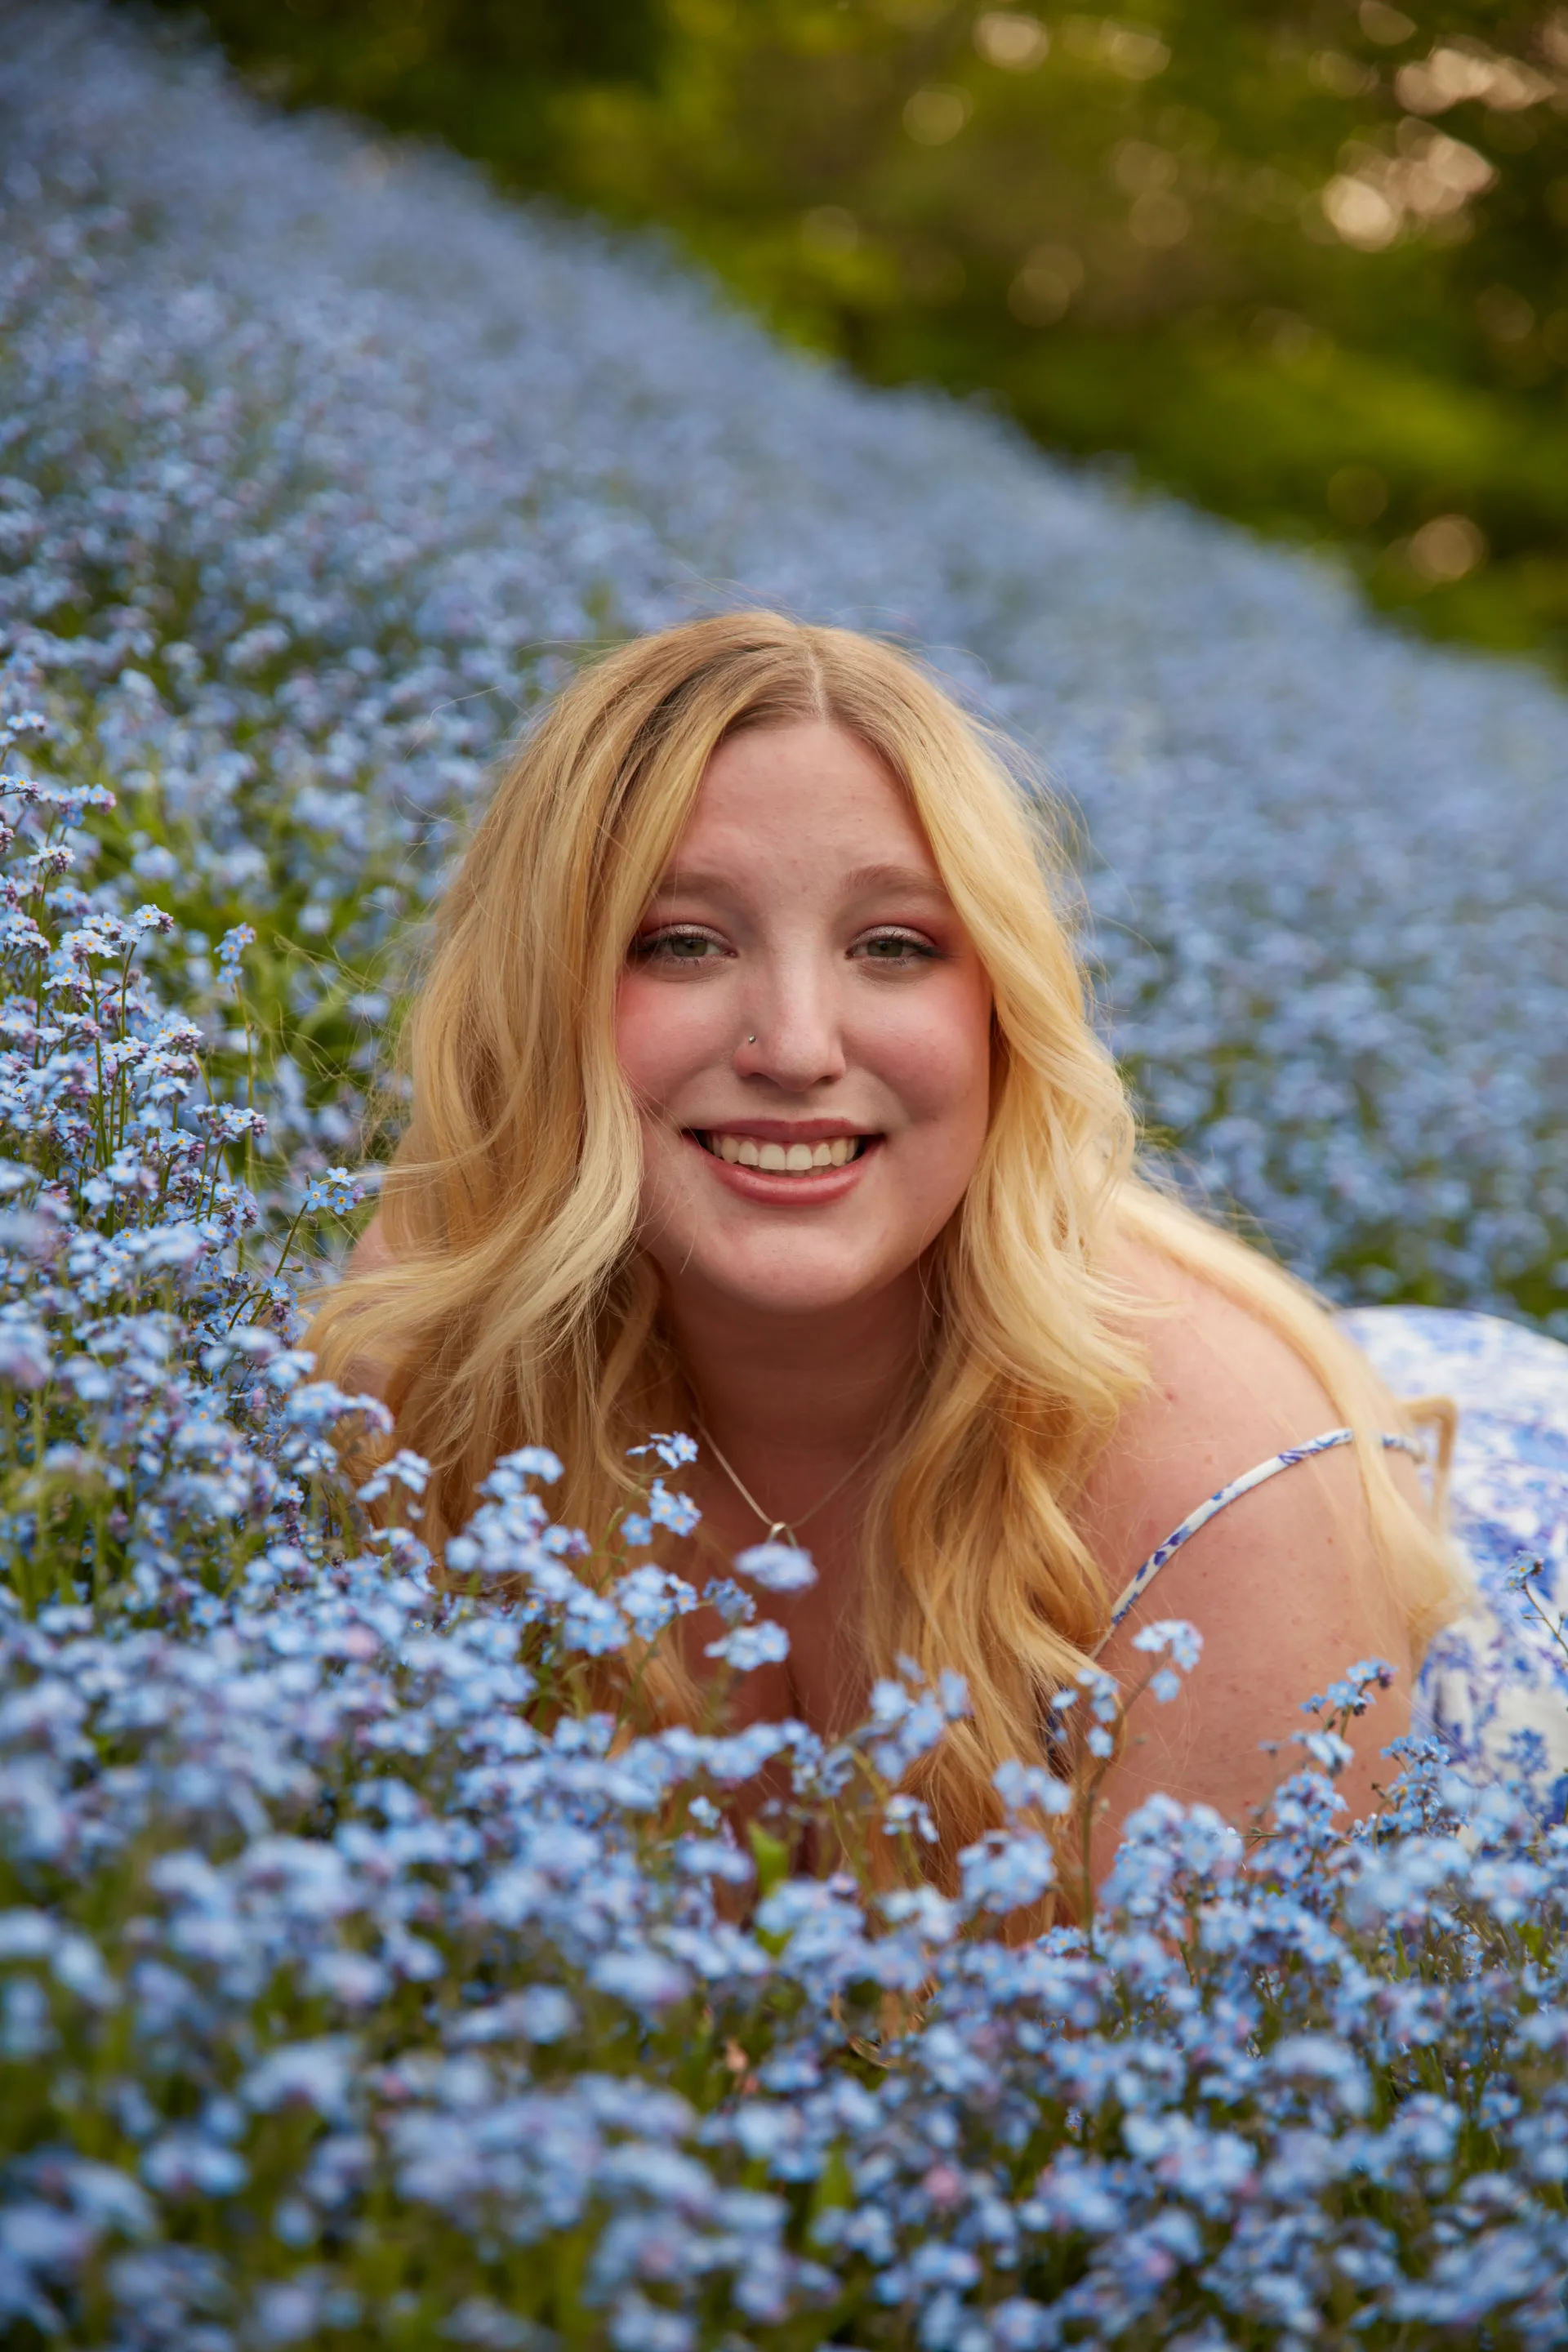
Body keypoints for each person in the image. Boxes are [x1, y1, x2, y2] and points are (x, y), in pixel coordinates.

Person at [310, 612, 1568, 1882]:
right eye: (682, 941)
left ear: (999, 1014)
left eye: (893, 947)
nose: (797, 1046)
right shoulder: (424, 1350)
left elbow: (1186, 2075)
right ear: (543, 1002)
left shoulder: (1225, 1500)